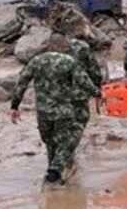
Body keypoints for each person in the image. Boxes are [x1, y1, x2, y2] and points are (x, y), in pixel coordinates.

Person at [10, 42, 101, 185]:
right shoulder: (69, 61)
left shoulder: (36, 60)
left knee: (50, 142)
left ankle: (52, 176)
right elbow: (83, 81)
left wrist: (14, 106)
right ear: (63, 47)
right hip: (63, 110)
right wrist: (98, 93)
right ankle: (56, 169)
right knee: (66, 140)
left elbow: (22, 82)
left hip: (43, 112)